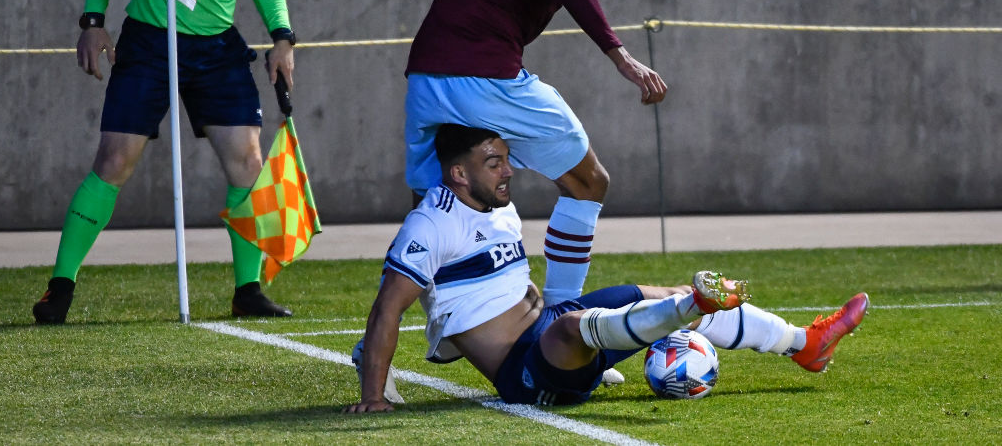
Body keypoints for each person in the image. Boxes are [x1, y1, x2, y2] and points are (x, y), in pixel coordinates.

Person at [345, 125, 870, 411]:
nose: (509, 171)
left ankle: (806, 344)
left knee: (651, 292)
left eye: (506, 158)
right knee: (582, 325)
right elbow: (386, 309)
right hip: (526, 375)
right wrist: (373, 396)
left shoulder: (498, 202)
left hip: (551, 328)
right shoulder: (429, 225)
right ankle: (687, 307)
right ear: (459, 173)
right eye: (494, 162)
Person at [335, 0, 666, 309]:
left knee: (434, 205)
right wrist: (619, 55)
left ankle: (425, 326)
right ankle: (563, 317)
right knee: (589, 183)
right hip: (486, 76)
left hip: (425, 75)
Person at [33, 0, 298, 324]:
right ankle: (60, 287)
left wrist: (282, 36)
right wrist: (92, 21)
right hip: (152, 40)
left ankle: (248, 290)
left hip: (218, 45)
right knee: (114, 162)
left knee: (248, 162)